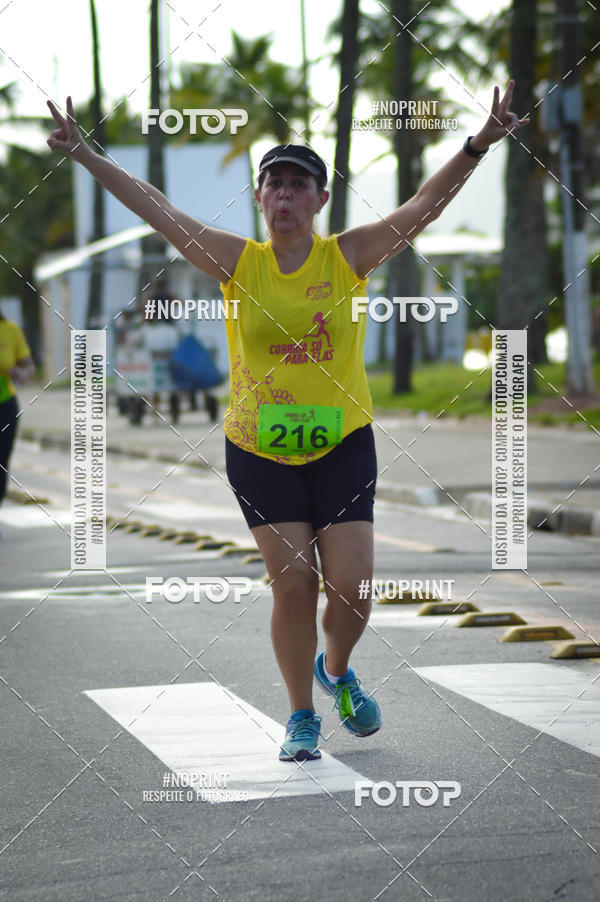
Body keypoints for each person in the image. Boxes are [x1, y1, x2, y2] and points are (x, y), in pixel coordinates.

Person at [46, 83, 528, 761]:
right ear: (260, 197)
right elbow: (159, 209)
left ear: (320, 200)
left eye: (299, 185)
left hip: (342, 441)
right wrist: (86, 155)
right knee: (295, 583)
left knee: (352, 587)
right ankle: (301, 714)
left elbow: (423, 205)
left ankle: (336, 669)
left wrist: (477, 145)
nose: (285, 196)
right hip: (259, 448)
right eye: (274, 184)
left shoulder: (348, 257)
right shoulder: (238, 263)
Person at [0, 308, 34, 508]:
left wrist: (22, 373)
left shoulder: (10, 330)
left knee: (2, 460)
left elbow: (29, 366)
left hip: (5, 404)